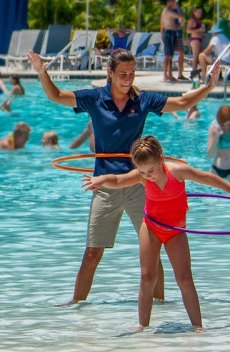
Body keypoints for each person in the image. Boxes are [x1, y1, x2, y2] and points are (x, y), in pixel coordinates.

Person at [28, 47, 219, 305]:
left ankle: (159, 305)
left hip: (141, 183)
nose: (128, 79)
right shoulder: (95, 98)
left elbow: (183, 102)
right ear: (111, 73)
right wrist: (42, 72)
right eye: (122, 74)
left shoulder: (143, 100)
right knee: (93, 252)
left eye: (131, 73)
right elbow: (56, 96)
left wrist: (209, 87)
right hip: (105, 184)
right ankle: (75, 307)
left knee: (154, 250)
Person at [82, 135, 230, 332]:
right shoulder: (142, 176)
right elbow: (118, 180)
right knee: (147, 276)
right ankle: (142, 326)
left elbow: (207, 178)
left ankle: (198, 327)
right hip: (151, 228)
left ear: (161, 159)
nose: (148, 175)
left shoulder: (177, 171)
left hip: (175, 231)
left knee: (185, 278)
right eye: (142, 171)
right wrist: (102, 179)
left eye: (151, 170)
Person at [160, 0, 186, 82]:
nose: (175, 3)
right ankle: (165, 75)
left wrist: (177, 25)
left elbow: (162, 24)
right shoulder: (168, 11)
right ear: (170, 1)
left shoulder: (165, 11)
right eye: (174, 2)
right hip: (169, 33)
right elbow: (180, 16)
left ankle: (169, 74)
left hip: (171, 32)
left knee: (170, 56)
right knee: (167, 55)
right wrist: (178, 7)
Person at [197, 20, 230, 85]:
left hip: (223, 60)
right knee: (213, 57)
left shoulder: (215, 38)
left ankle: (204, 78)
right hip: (228, 59)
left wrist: (204, 52)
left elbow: (207, 51)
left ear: (213, 33)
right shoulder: (224, 37)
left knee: (201, 56)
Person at [208, 105, 230, 177]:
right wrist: (216, 136)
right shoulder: (214, 128)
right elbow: (210, 154)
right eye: (223, 125)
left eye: (229, 124)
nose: (226, 128)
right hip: (216, 171)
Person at [187, 7, 205, 79]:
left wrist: (203, 36)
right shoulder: (192, 20)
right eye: (198, 12)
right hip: (195, 40)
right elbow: (188, 30)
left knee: (199, 57)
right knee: (196, 56)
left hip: (199, 39)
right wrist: (199, 29)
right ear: (194, 12)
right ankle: (193, 72)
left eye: (200, 13)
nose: (199, 14)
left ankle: (197, 71)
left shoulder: (198, 20)